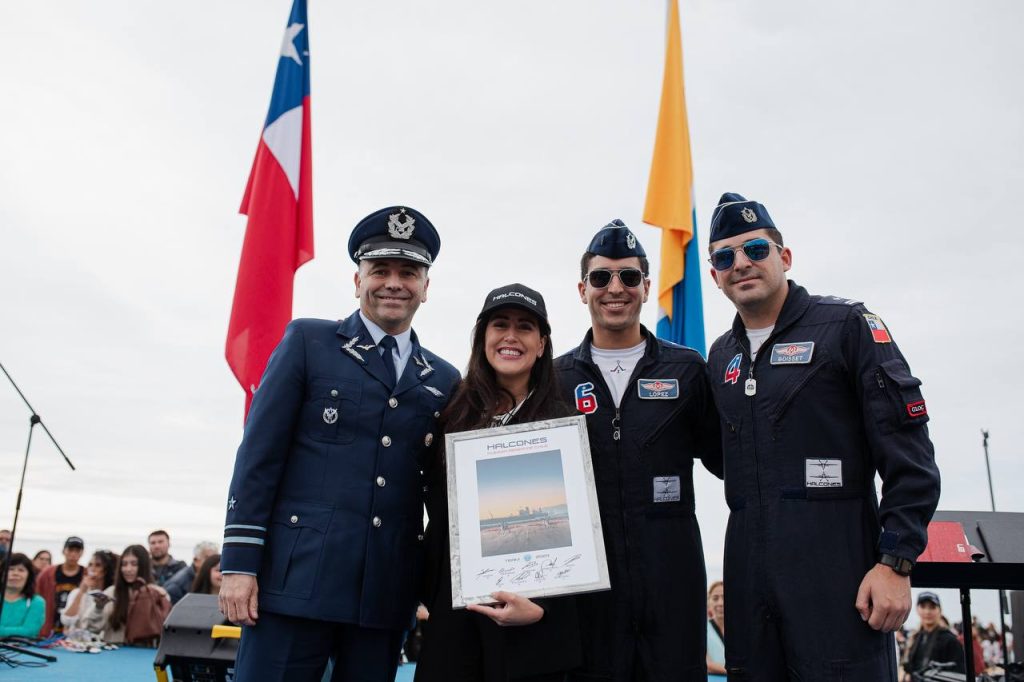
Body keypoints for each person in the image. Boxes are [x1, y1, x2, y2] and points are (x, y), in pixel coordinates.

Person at [704, 193, 941, 680]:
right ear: (714, 275)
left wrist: (895, 563)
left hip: (840, 580)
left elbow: (910, 456)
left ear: (784, 257)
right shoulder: (719, 356)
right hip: (750, 589)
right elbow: (720, 455)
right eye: (725, 257)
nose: (741, 264)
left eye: (756, 249)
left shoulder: (847, 327)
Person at [219, 206, 460, 682]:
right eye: (380, 270)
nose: (394, 283)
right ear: (357, 281)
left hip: (384, 594)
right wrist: (239, 563)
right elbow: (258, 459)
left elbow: (443, 491)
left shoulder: (444, 379)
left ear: (425, 288)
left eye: (408, 272)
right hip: (295, 584)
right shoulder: (310, 342)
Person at [554, 220, 722, 682]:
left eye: (629, 277)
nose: (616, 288)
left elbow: (732, 461)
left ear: (648, 287)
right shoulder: (554, 378)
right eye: (601, 277)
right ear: (582, 288)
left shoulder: (688, 370)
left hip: (672, 581)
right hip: (587, 591)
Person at [415, 283, 582, 682]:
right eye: (500, 325)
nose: (511, 336)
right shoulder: (447, 415)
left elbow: (585, 533)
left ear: (542, 345)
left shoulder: (569, 425)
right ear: (483, 339)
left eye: (525, 327)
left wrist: (545, 607)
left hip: (536, 626)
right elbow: (430, 514)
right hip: (456, 620)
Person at [101, 545, 170, 646]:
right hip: (114, 652)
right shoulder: (111, 593)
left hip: (145, 653)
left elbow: (165, 626)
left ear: (143, 566)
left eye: (134, 564)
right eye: (124, 564)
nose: (128, 569)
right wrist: (98, 608)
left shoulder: (158, 593)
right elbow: (92, 628)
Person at [901, 592, 965, 680]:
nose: (927, 612)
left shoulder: (950, 640)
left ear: (940, 610)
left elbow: (960, 672)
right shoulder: (915, 638)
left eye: (932, 607)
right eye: (923, 607)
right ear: (917, 609)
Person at [35, 535, 85, 636]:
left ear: (82, 553)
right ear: (64, 551)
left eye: (77, 551)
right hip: (49, 630)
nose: (73, 554)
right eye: (70, 550)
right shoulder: (47, 574)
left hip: (75, 632)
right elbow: (36, 597)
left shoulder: (86, 575)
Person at [60, 550, 117, 635]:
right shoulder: (76, 593)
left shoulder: (110, 594)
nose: (92, 568)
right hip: (75, 643)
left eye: (98, 565)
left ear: (105, 570)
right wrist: (81, 591)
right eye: (90, 564)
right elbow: (67, 620)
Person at [1, 553, 45, 639]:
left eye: (21, 570)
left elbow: (30, 631)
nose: (15, 573)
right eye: (11, 569)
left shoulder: (37, 602)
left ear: (29, 576)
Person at [706, 581, 726, 675]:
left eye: (724, 597)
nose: (720, 603)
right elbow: (705, 663)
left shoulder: (742, 630)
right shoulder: (702, 630)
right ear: (708, 602)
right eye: (715, 598)